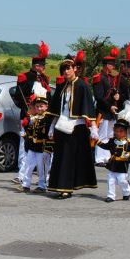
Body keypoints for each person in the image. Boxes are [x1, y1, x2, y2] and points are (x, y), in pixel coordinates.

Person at [46, 56, 97, 198]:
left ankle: (66, 188)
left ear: (75, 69)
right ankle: (59, 186)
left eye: (68, 68)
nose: (66, 71)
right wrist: (52, 126)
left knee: (69, 158)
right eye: (63, 69)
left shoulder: (82, 85)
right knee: (60, 157)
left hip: (76, 127)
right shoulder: (62, 86)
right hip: (61, 126)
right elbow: (57, 109)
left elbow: (88, 107)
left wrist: (93, 127)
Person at [13, 42, 50, 183]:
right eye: (40, 65)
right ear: (35, 65)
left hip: (41, 116)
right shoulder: (25, 77)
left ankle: (39, 174)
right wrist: (26, 109)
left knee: (39, 145)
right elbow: (18, 96)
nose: (42, 68)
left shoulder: (45, 79)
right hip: (28, 114)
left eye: (43, 66)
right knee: (24, 145)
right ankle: (21, 174)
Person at [92, 48, 126, 166]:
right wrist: (110, 106)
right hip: (103, 111)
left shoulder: (111, 78)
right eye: (112, 64)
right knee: (102, 135)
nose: (113, 67)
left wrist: (117, 96)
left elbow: (112, 92)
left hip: (111, 111)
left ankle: (106, 157)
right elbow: (99, 97)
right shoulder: (98, 77)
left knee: (110, 135)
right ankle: (99, 159)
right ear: (107, 65)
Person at [20, 85, 49, 192]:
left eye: (41, 106)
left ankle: (42, 185)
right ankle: (26, 184)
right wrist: (27, 126)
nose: (39, 108)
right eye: (37, 106)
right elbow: (30, 131)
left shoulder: (47, 118)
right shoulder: (33, 118)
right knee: (29, 165)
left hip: (42, 146)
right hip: (32, 145)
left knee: (42, 168)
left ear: (46, 107)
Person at [97, 116, 130, 203]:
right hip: (113, 164)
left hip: (122, 166)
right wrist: (97, 142)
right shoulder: (112, 141)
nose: (118, 133)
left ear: (126, 132)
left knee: (122, 181)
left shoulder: (129, 143)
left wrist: (128, 155)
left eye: (121, 131)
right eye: (116, 131)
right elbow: (106, 146)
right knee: (111, 180)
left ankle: (127, 192)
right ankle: (111, 196)